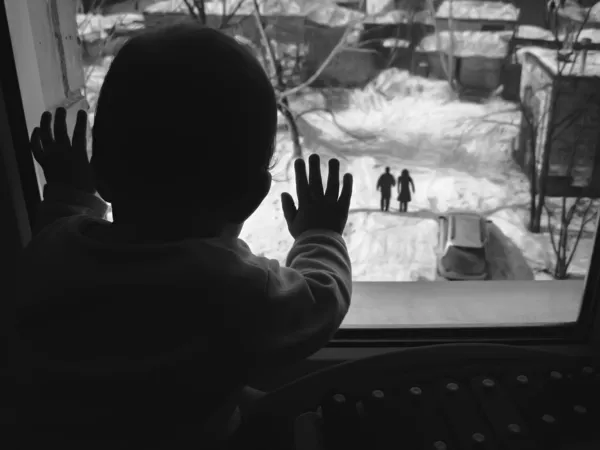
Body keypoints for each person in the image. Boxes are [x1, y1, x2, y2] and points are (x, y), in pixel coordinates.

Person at [16, 23, 353, 449]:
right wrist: (320, 234)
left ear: (101, 171)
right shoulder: (238, 289)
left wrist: (69, 191)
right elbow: (321, 303)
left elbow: (59, 235)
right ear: (252, 196)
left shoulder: (55, 249)